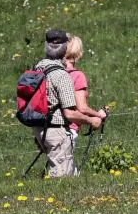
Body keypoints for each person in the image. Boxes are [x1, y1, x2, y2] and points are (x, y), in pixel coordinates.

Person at [33, 30, 102, 177]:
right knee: (62, 180)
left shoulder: (39, 68)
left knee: (66, 173)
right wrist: (94, 119)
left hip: (40, 127)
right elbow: (74, 111)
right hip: (59, 130)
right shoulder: (65, 75)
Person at [63, 34, 108, 152]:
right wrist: (99, 115)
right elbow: (82, 108)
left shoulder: (53, 73)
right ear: (78, 53)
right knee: (65, 169)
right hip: (68, 130)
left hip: (47, 129)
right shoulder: (77, 76)